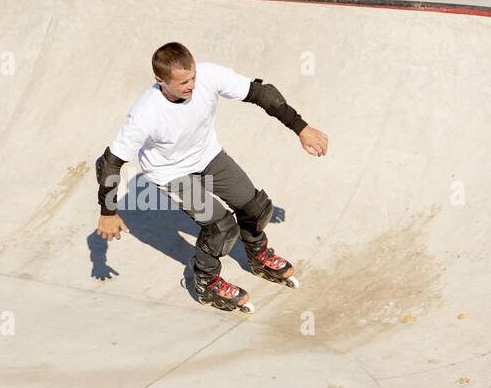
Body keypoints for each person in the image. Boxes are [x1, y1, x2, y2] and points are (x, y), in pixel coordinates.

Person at [93, 42, 328, 311]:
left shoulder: (208, 76)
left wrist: (301, 127)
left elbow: (261, 93)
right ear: (160, 81)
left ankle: (256, 252)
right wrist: (108, 212)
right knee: (221, 227)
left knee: (256, 207)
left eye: (192, 77)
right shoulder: (145, 113)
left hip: (209, 157)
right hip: (171, 173)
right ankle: (206, 282)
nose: (191, 86)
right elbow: (110, 163)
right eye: (182, 82)